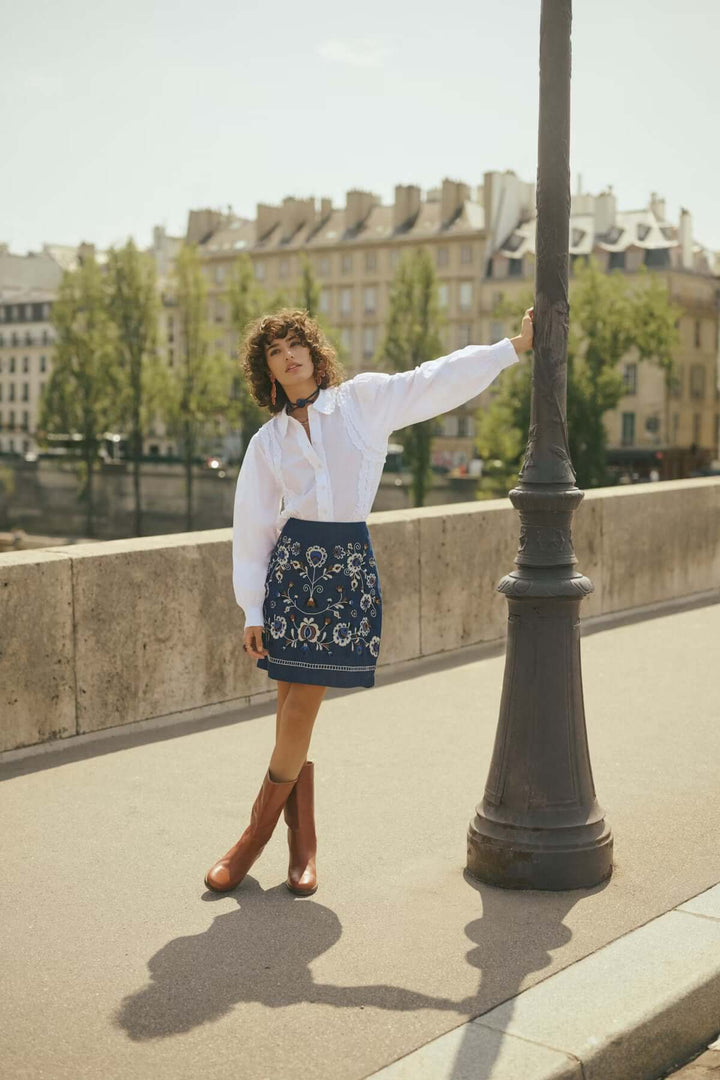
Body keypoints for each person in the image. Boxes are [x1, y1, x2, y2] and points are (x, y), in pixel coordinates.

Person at [204, 305, 534, 897]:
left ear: (314, 351)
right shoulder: (267, 442)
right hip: (290, 573)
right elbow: (251, 527)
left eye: (295, 343)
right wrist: (252, 608)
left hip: (344, 570)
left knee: (300, 711)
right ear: (269, 372)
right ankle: (301, 848)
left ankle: (250, 840)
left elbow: (434, 380)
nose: (288, 355)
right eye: (274, 351)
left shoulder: (363, 402)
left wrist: (512, 347)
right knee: (289, 714)